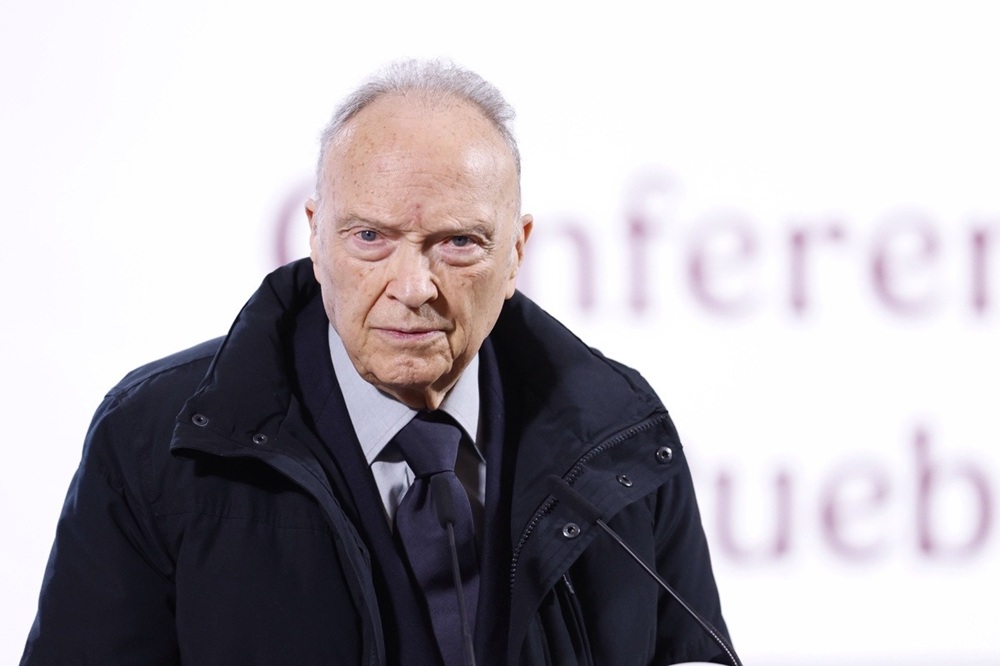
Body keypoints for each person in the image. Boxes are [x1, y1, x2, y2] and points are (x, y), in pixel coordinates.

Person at [21, 59, 733, 665]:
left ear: (517, 251)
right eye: (370, 237)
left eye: (458, 243)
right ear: (315, 238)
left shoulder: (621, 436)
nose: (414, 285)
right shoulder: (156, 441)